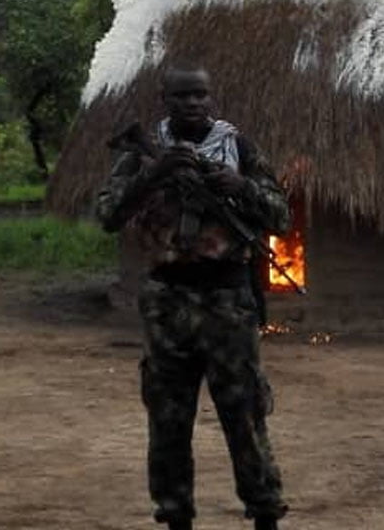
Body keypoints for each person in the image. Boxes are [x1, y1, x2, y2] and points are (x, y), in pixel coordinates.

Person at [95, 68, 289, 530]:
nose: (193, 103)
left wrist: (241, 187)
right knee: (168, 418)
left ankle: (265, 511)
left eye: (200, 94)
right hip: (168, 299)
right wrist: (153, 174)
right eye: (182, 95)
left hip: (228, 298)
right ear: (165, 99)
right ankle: (175, 513)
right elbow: (107, 214)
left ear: (211, 97)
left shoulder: (239, 148)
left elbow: (280, 217)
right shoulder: (143, 155)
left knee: (245, 414)